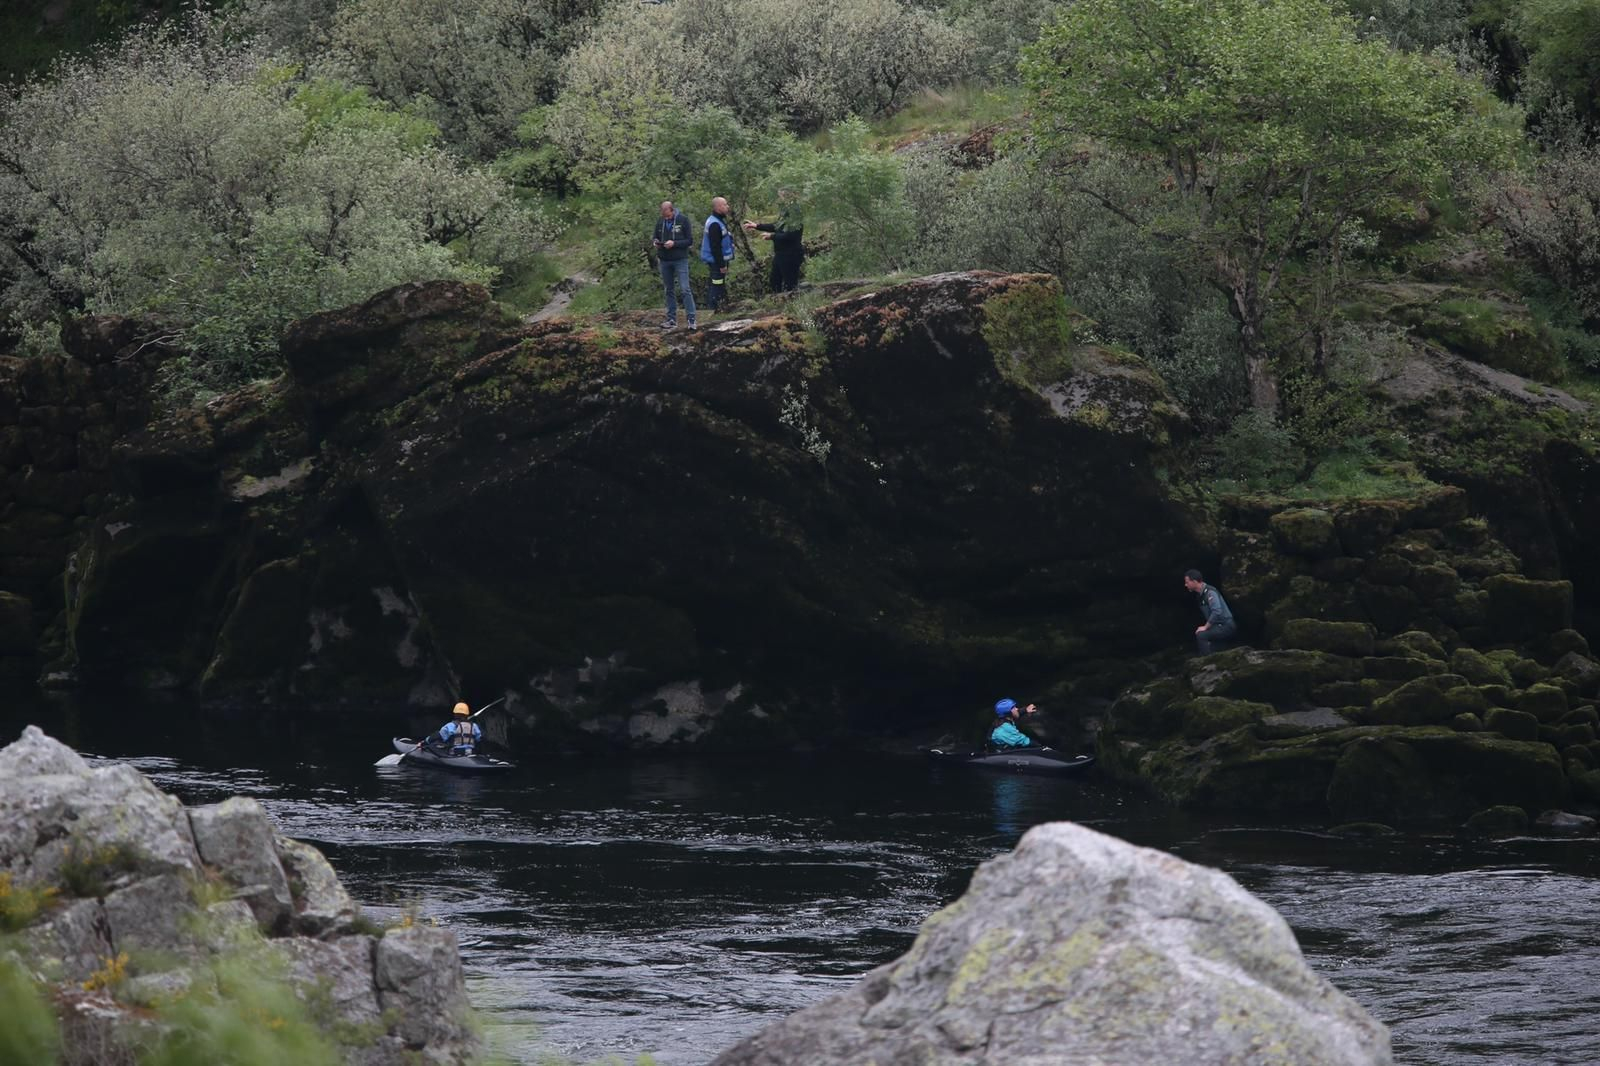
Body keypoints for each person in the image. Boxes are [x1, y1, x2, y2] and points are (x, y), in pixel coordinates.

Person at [742, 190, 803, 293]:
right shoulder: (785, 212)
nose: (780, 200)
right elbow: (777, 226)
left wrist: (772, 236)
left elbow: (792, 235)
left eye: (781, 197)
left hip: (791, 253)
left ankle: (794, 304)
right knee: (774, 281)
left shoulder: (795, 213)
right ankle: (778, 303)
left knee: (790, 283)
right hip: (780, 253)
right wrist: (757, 226)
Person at [652, 200, 696, 330]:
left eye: (668, 215)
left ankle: (691, 319)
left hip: (680, 259)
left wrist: (674, 243)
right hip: (664, 259)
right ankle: (671, 319)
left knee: (685, 288)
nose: (666, 218)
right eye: (664, 215)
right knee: (668, 289)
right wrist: (656, 242)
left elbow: (689, 240)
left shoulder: (683, 220)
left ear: (672, 210)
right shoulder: (660, 222)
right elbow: (655, 236)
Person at [1184, 569, 1237, 654]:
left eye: (1187, 582)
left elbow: (1217, 611)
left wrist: (1205, 627)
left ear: (1194, 581)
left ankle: (1207, 661)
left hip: (1225, 625)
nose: (1185, 585)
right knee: (1215, 647)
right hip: (1217, 626)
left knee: (1201, 635)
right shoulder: (1200, 596)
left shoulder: (1210, 592)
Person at [700, 196, 736, 312]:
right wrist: (721, 265)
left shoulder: (718, 220)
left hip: (718, 260)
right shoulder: (714, 223)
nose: (727, 207)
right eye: (725, 205)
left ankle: (719, 307)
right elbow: (715, 247)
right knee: (716, 285)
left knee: (719, 284)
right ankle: (713, 309)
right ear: (719, 207)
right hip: (716, 262)